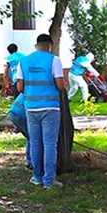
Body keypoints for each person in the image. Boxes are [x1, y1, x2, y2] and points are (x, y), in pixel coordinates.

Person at [17, 33, 67, 188]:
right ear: (50, 45)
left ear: (36, 45)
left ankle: (37, 177)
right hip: (50, 108)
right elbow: (60, 85)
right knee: (50, 143)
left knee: (35, 143)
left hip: (31, 108)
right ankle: (49, 180)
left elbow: (20, 87)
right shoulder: (54, 60)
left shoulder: (23, 61)